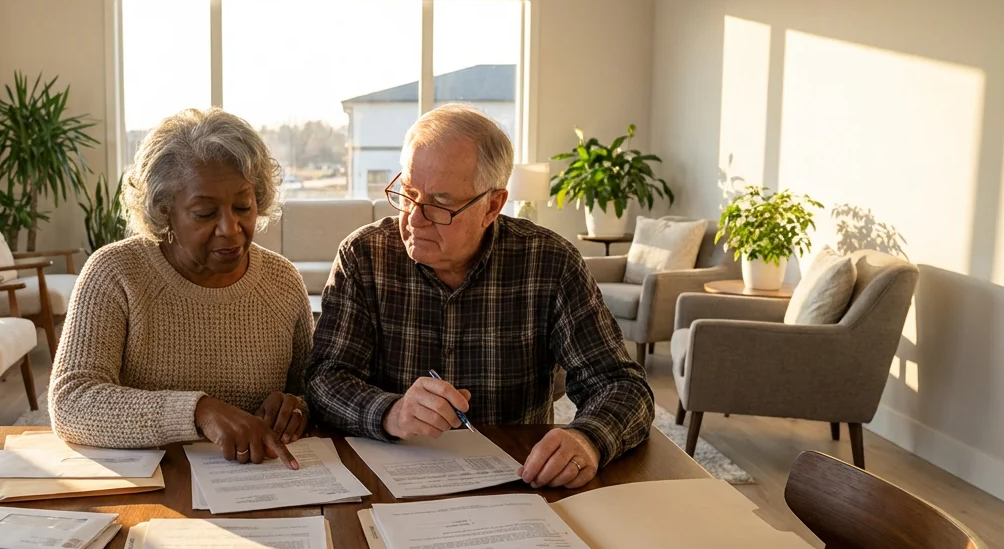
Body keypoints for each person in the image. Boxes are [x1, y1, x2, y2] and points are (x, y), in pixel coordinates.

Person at [304, 104, 653, 488]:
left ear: (492, 206)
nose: (414, 219)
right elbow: (323, 378)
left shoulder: (550, 263)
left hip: (518, 480)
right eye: (407, 194)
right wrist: (392, 411)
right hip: (389, 475)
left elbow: (622, 385)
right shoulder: (364, 256)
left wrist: (588, 438)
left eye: (439, 204)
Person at [49, 108, 312, 468]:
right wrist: (197, 411)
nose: (230, 228)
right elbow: (71, 401)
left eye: (243, 206)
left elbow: (309, 389)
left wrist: (297, 406)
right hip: (151, 489)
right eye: (205, 213)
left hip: (258, 484)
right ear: (163, 210)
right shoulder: (115, 273)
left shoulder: (282, 282)